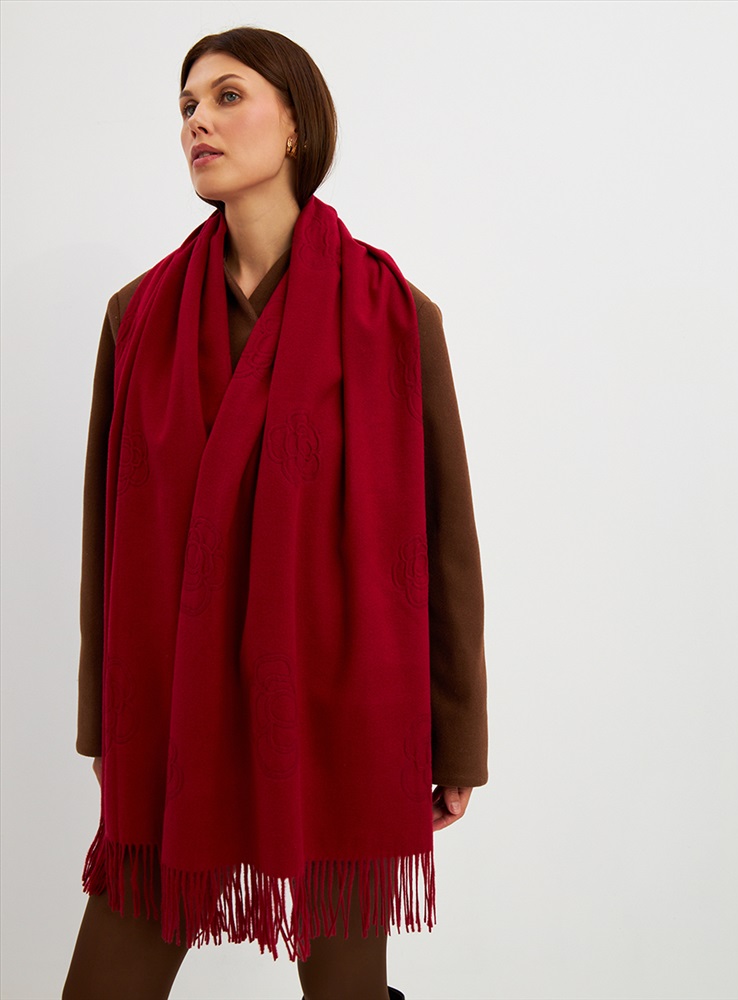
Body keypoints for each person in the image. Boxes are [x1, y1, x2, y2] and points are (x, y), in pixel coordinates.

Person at [62, 26, 488, 1000]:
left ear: (295, 122)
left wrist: (456, 735)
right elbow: (105, 539)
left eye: (227, 96)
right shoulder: (137, 318)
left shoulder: (396, 316)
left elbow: (446, 544)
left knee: (344, 992)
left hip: (343, 709)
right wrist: (104, 728)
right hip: (173, 710)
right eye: (186, 106)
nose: (197, 122)